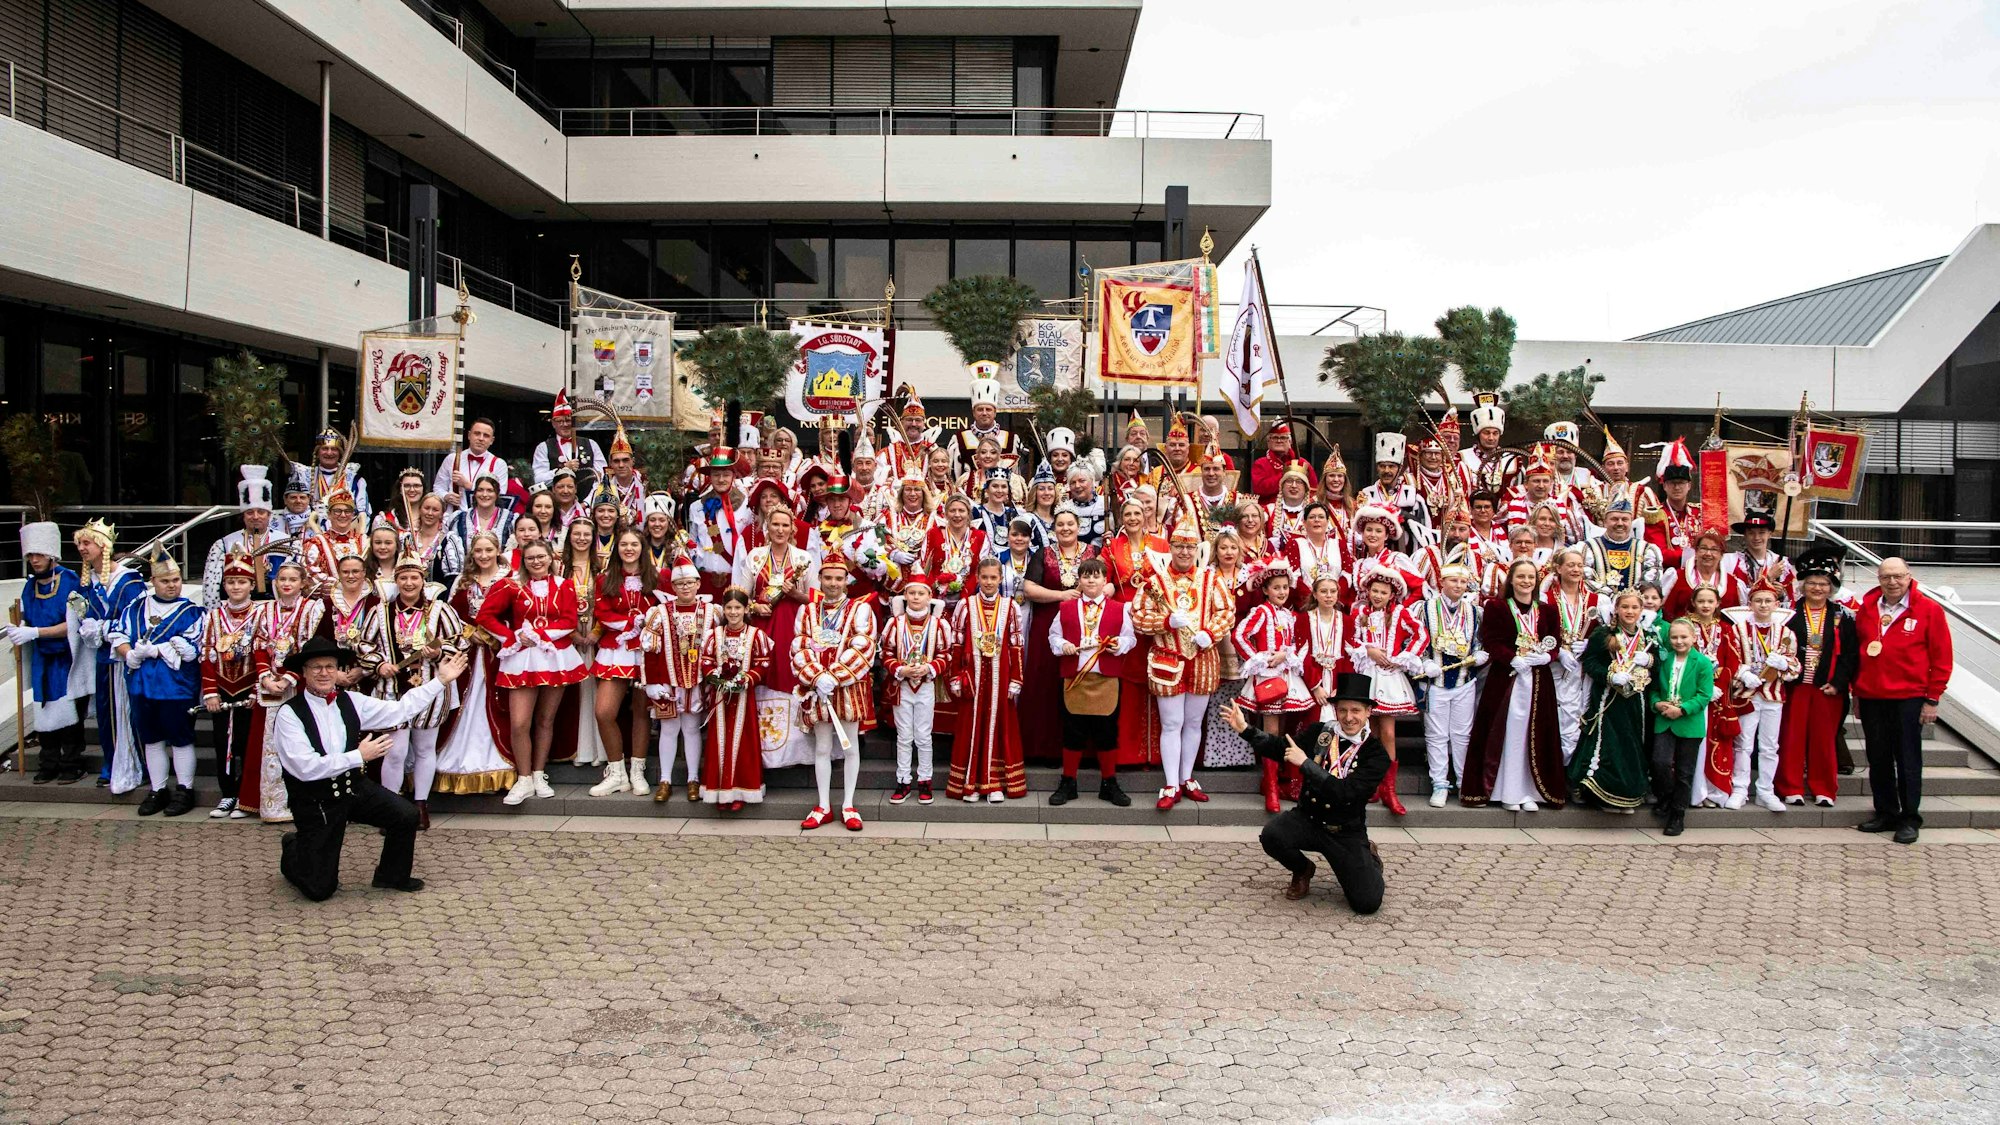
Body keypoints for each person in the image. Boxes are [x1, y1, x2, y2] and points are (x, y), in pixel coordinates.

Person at [273, 636, 470, 901]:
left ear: (339, 671)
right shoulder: (290, 713)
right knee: (319, 889)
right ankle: (293, 848)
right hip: (316, 799)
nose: (323, 673)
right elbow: (305, 768)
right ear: (305, 672)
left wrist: (440, 681)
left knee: (405, 814)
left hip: (352, 788)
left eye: (330, 666)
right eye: (316, 667)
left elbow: (401, 711)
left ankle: (391, 875)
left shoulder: (351, 700)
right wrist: (359, 756)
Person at [1222, 676, 1387, 914]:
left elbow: (1346, 793)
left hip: (1343, 832)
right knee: (1272, 835)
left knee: (1367, 903)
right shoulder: (1321, 732)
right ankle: (1303, 870)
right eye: (1342, 710)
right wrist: (1246, 730)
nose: (1349, 717)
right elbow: (1283, 749)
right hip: (1308, 819)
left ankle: (1369, 860)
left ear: (1368, 711)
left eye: (1355, 711)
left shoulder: (1375, 753)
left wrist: (1306, 764)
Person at [359, 547, 465, 831]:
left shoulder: (440, 610)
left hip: (430, 690)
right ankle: (391, 807)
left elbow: (459, 642)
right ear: (396, 580)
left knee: (425, 748)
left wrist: (438, 652)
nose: (409, 583)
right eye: (403, 578)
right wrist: (379, 664)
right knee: (394, 751)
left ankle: (420, 805)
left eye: (414, 578)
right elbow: (363, 646)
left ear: (423, 581)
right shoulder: (379, 613)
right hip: (392, 692)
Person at [1133, 522, 1235, 810]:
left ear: (1197, 549)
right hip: (1168, 658)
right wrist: (1165, 622)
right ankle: (1170, 783)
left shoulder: (1210, 579)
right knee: (1172, 723)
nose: (1184, 552)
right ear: (1171, 548)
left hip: (1202, 660)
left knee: (1192, 723)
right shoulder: (1155, 582)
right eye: (1178, 546)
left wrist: (1211, 632)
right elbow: (1138, 617)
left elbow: (1227, 611)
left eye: (1190, 547)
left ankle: (1187, 777)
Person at [1853, 557, 1952, 844]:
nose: (1892, 582)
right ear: (1879, 579)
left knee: (1908, 759)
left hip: (1909, 697)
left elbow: (1942, 657)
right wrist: (1857, 692)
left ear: (1909, 576)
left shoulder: (1929, 610)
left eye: (1898, 576)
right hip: (1872, 696)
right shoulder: (1868, 608)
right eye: (1886, 577)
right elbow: (1859, 652)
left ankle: (1910, 818)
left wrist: (1932, 698)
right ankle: (1885, 812)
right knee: (1878, 757)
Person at [478, 540, 584, 806]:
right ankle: (523, 777)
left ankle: (538, 773)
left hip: (553, 657)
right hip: (522, 658)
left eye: (540, 557)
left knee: (546, 720)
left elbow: (569, 620)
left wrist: (538, 634)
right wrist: (511, 635)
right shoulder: (510, 585)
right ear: (522, 561)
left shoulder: (564, 585)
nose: (536, 562)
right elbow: (485, 616)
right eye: (530, 558)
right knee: (520, 723)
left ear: (550, 558)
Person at [1462, 557, 1566, 811]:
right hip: (1505, 681)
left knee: (1534, 734)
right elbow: (1491, 640)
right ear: (1511, 580)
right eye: (1521, 577)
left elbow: (1555, 641)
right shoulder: (1497, 608)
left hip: (1538, 682)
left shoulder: (1548, 610)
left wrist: (1547, 656)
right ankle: (1505, 790)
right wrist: (1512, 658)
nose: (1526, 582)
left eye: (1531, 577)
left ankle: (1529, 791)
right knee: (1505, 732)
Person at [110, 550, 205, 817]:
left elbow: (193, 646)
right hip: (142, 686)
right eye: (165, 581)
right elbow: (118, 634)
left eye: (176, 580)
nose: (172, 585)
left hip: (176, 688)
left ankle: (185, 789)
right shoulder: (136, 608)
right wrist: (129, 653)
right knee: (152, 740)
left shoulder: (192, 612)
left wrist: (158, 650)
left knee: (181, 739)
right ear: (153, 580)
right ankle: (158, 789)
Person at [794, 556, 876, 830]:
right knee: (822, 747)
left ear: (846, 581)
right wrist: (817, 676)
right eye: (828, 578)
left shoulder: (860, 610)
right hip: (818, 690)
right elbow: (799, 645)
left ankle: (849, 805)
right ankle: (823, 805)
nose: (833, 583)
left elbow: (864, 645)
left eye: (838, 578)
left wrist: (836, 676)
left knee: (849, 745)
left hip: (849, 688)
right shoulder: (807, 611)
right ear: (820, 579)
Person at [434, 533, 516, 798]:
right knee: (467, 707)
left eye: (488, 550)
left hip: (498, 654)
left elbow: (517, 615)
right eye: (478, 551)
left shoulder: (509, 579)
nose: (483, 555)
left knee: (494, 705)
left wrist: (495, 635)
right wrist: (471, 633)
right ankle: (458, 762)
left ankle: (497, 763)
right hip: (468, 655)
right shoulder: (463, 581)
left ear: (497, 551)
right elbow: (452, 616)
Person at [1048, 558, 1135, 808]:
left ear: (1105, 580)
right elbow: (1054, 635)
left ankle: (1109, 783)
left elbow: (1131, 638)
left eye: (1096, 576)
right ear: (1080, 580)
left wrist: (1120, 645)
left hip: (1106, 679)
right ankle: (1068, 782)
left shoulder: (1119, 609)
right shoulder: (1066, 608)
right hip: (1074, 679)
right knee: (1072, 733)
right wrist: (1062, 645)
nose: (1091, 580)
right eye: (1086, 576)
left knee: (1107, 733)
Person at [1776, 548, 1859, 807]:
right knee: (1792, 737)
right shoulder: (1788, 614)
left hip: (1828, 688)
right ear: (1802, 585)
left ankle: (1824, 788)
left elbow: (1850, 654)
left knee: (1824, 740)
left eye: (1824, 583)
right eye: (1812, 582)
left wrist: (1838, 683)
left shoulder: (1842, 616)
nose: (1817, 588)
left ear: (1832, 587)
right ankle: (1790, 787)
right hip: (1797, 686)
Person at [734, 506, 814, 770]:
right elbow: (740, 598)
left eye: (785, 525)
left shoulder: (803, 558)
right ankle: (766, 753)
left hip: (794, 629)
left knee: (791, 678)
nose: (780, 530)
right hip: (762, 629)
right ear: (767, 528)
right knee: (764, 678)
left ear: (792, 529)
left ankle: (796, 753)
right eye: (775, 525)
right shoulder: (756, 557)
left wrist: (794, 595)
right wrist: (755, 607)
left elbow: (816, 599)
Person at [1233, 561, 1316, 812]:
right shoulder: (1261, 612)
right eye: (1276, 588)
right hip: (1268, 675)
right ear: (1266, 590)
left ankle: (1277, 779)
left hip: (1288, 675)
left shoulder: (1291, 615)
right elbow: (1239, 635)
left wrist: (1287, 654)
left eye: (1284, 588)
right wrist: (1259, 658)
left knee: (1281, 729)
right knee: (1270, 727)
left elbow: (1297, 643)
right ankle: (1270, 785)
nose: (1282, 592)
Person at [246, 561, 324, 822]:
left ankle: (303, 802)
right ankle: (271, 804)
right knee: (269, 744)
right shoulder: (264, 610)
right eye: (282, 579)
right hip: (269, 684)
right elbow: (258, 645)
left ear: (303, 583)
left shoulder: (313, 609)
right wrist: (266, 676)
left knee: (302, 742)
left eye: (293, 579)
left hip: (301, 684)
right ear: (275, 583)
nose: (287, 583)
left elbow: (309, 647)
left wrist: (289, 678)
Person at [13, 522, 88, 785]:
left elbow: (78, 623)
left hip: (68, 659)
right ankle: (49, 762)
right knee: (43, 710)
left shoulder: (73, 582)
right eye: (31, 555)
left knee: (70, 714)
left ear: (52, 554)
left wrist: (36, 633)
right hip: (42, 660)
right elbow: (26, 616)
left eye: (39, 554)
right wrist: (21, 628)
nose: (35, 560)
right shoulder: (28, 587)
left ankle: (72, 763)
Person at [1569, 588, 1658, 811]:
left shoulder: (1648, 636)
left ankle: (1627, 793)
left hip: (1636, 702)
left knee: (1631, 743)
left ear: (1641, 610)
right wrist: (1610, 675)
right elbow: (1590, 663)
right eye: (1625, 607)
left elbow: (1658, 668)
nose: (1630, 611)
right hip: (1609, 699)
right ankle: (1598, 793)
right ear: (1616, 609)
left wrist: (1650, 661)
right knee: (1608, 743)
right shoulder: (1603, 634)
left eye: (1635, 607)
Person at [949, 556, 1029, 803]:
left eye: (993, 577)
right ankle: (970, 783)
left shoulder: (1010, 607)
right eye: (984, 577)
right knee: (971, 726)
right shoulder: (966, 605)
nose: (988, 582)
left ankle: (995, 784)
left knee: (1000, 725)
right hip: (972, 676)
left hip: (1000, 675)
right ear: (977, 578)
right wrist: (954, 675)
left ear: (1000, 579)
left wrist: (1016, 678)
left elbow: (1016, 645)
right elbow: (956, 642)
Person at [587, 530, 659, 798]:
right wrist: (631, 624)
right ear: (617, 548)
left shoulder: (657, 577)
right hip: (615, 648)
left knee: (642, 712)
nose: (629, 549)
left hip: (647, 650)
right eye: (624, 544)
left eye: (634, 544)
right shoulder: (605, 579)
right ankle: (616, 772)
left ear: (643, 547)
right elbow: (603, 613)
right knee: (604, 712)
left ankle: (637, 770)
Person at [1345, 563, 1421, 816]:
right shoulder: (1360, 613)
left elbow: (1421, 635)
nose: (1378, 595)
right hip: (1367, 675)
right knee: (1369, 731)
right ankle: (1372, 783)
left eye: (1383, 592)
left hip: (1388, 677)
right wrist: (1369, 650)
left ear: (1392, 594)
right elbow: (1351, 640)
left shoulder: (1400, 613)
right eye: (1375, 590)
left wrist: (1402, 656)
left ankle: (1389, 788)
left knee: (1387, 731)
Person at [74, 519, 143, 790]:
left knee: (128, 712)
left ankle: (137, 762)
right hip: (102, 658)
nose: (81, 548)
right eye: (79, 543)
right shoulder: (87, 583)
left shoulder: (129, 581)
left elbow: (135, 620)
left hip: (123, 657)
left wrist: (104, 628)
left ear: (103, 546)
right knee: (105, 713)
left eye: (86, 542)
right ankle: (111, 762)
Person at [638, 554, 711, 802]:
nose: (686, 588)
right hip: (667, 682)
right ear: (673, 587)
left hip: (697, 682)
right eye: (680, 584)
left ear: (698, 584)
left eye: (690, 583)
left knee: (691, 729)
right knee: (669, 729)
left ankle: (693, 779)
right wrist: (651, 684)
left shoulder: (712, 612)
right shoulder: (659, 612)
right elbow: (648, 651)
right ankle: (665, 780)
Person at [1723, 574, 1799, 812]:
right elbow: (1731, 660)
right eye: (1758, 601)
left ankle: (1766, 790)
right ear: (1750, 604)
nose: (1763, 605)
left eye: (1768, 601)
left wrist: (1784, 665)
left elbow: (1795, 666)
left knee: (1769, 746)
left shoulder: (1786, 633)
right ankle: (1740, 789)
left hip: (1773, 696)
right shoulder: (1737, 630)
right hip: (1746, 696)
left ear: (1776, 604)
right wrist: (1743, 673)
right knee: (1743, 744)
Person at [195, 548, 260, 817]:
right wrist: (210, 692)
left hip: (250, 688)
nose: (236, 586)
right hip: (222, 689)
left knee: (247, 743)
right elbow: (206, 654)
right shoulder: (213, 617)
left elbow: (263, 653)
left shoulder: (261, 614)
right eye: (231, 582)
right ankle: (227, 794)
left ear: (252, 585)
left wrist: (259, 689)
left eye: (242, 581)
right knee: (224, 743)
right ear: (224, 585)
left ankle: (245, 795)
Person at [695, 588, 771, 810]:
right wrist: (715, 677)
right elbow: (706, 660)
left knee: (743, 742)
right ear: (724, 610)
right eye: (729, 608)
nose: (733, 612)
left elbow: (763, 663)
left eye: (738, 607)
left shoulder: (756, 635)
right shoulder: (714, 635)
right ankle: (719, 791)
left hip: (744, 698)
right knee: (719, 741)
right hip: (720, 697)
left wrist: (745, 679)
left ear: (746, 609)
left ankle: (741, 790)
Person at [1417, 562, 1485, 808]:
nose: (1458, 585)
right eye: (1453, 580)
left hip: (1464, 681)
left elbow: (1479, 641)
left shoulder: (1475, 611)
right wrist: (1423, 663)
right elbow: (1414, 641)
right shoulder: (1424, 609)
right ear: (1441, 583)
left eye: (1462, 582)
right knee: (1436, 736)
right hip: (1435, 683)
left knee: (1462, 735)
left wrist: (1480, 653)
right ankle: (1439, 783)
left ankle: (1464, 782)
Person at [882, 570, 952, 805]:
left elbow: (946, 654)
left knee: (923, 736)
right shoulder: (895, 623)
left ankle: (925, 781)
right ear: (904, 595)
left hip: (926, 685)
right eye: (911, 593)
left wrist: (929, 668)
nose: (915, 597)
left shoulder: (938, 624)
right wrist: (900, 669)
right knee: (904, 736)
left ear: (929, 596)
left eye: (920, 593)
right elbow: (886, 653)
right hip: (902, 685)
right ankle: (903, 781)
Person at [1679, 585, 1746, 810]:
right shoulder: (1685, 626)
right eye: (1701, 601)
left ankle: (1715, 790)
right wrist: (1703, 686)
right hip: (1693, 694)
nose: (1706, 606)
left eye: (1710, 601)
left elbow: (1732, 662)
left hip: (1719, 697)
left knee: (1716, 743)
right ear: (1693, 603)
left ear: (1718, 604)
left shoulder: (1726, 629)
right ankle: (1695, 791)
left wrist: (1721, 681)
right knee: (1695, 744)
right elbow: (1682, 657)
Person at [1649, 617, 1716, 836]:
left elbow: (1704, 695)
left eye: (1684, 637)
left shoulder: (1702, 663)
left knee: (1685, 772)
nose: (1679, 641)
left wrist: (1683, 709)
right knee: (1660, 762)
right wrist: (1657, 703)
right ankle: (1667, 797)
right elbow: (1655, 689)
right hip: (1665, 720)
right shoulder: (1665, 659)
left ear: (1694, 638)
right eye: (1674, 637)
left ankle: (1677, 814)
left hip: (1689, 722)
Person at [1546, 547, 1604, 764]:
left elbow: (1605, 634)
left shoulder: (1597, 600)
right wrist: (1558, 651)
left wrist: (1591, 644)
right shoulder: (1546, 598)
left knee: (1581, 717)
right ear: (1559, 568)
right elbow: (1538, 632)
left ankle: (1575, 773)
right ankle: (1556, 773)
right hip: (1556, 667)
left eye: (1579, 565)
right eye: (1570, 565)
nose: (1575, 569)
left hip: (1583, 670)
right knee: (1557, 718)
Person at [204, 466, 285, 603]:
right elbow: (210, 589)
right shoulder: (224, 545)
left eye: (261, 512)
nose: (255, 516)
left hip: (276, 609)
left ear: (269, 514)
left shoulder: (287, 542)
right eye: (249, 512)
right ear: (243, 515)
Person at [1357, 432, 1433, 550]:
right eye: (1382, 466)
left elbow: (1425, 531)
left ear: (1400, 468)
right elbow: (1357, 532)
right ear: (1377, 468)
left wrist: (1405, 516)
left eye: (1392, 466)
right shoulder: (1366, 495)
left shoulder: (1413, 497)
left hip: (1408, 558)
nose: (1387, 470)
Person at [688, 449, 744, 598]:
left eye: (726, 474)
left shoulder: (746, 506)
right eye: (716, 475)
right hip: (704, 579)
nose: (721, 479)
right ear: (710, 477)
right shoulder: (697, 507)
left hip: (735, 579)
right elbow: (692, 543)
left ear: (733, 476)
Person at [1580, 498, 1660, 595]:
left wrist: (1630, 598)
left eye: (1625, 519)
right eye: (1614, 519)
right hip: (1601, 606)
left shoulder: (1646, 550)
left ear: (1631, 522)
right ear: (1605, 522)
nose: (1620, 523)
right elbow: (1584, 580)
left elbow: (1651, 582)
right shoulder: (1588, 548)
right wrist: (1610, 596)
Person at [530, 390, 606, 492]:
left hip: (587, 504)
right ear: (553, 423)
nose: (564, 424)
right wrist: (563, 469)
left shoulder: (591, 444)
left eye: (568, 420)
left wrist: (587, 502)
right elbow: (538, 480)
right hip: (556, 504)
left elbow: (602, 476)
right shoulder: (543, 447)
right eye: (559, 421)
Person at [1642, 439, 1700, 571]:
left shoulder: (1699, 512)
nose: (1677, 487)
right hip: (1668, 575)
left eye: (1681, 483)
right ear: (1665, 486)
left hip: (1699, 573)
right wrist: (1695, 558)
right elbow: (1658, 552)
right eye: (1672, 483)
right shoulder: (1655, 515)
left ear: (1689, 485)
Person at [291, 427, 370, 522]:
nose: (329, 453)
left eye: (334, 449)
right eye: (325, 448)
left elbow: (363, 513)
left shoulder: (354, 480)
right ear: (317, 452)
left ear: (340, 453)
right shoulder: (303, 476)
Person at [298, 484, 366, 593]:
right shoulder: (316, 543)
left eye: (347, 511)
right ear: (329, 514)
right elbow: (309, 574)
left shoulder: (364, 542)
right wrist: (339, 586)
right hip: (329, 603)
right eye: (337, 511)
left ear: (353, 515)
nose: (343, 515)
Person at [1662, 529, 1742, 620]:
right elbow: (1667, 613)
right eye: (1704, 548)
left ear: (1721, 554)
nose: (1708, 553)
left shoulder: (1732, 582)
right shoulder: (1677, 577)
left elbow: (1736, 617)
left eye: (1714, 549)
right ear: (1696, 551)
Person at [1724, 512, 1797, 606]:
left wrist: (1781, 594)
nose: (1756, 537)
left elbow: (1791, 603)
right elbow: (1729, 598)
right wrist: (1768, 578)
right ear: (1744, 535)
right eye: (1751, 533)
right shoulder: (1730, 562)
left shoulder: (1782, 563)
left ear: (1770, 534)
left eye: (1761, 532)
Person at [435, 417, 509, 509]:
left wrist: (468, 485)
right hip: (453, 517)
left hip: (484, 519)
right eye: (477, 433)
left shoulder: (499, 464)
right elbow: (438, 488)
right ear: (469, 435)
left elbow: (500, 496)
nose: (481, 438)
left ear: (492, 441)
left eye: (486, 435)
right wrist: (446, 496)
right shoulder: (452, 459)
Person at [1460, 393, 1518, 496]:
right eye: (1486, 433)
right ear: (1478, 434)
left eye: (1495, 433)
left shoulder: (1513, 459)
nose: (1491, 438)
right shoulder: (1462, 458)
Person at [448, 476, 518, 563]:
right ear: (475, 493)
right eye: (480, 490)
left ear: (497, 494)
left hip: (501, 573)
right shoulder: (458, 519)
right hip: (467, 572)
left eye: (490, 490)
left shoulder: (511, 520)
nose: (484, 494)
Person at [1250, 420, 1316, 502]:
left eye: (1283, 437)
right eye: (1275, 437)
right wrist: (1287, 471)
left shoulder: (1303, 463)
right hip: (1269, 511)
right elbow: (1259, 489)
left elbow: (1313, 490)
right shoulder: (1260, 463)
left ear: (1290, 442)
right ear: (1268, 442)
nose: (1279, 441)